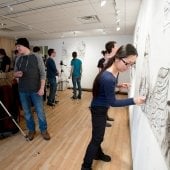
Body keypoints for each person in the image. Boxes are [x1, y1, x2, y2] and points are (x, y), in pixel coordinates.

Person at [81, 44, 146, 170]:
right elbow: (113, 102)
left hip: (100, 107)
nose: (128, 67)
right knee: (97, 138)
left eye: (132, 64)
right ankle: (85, 166)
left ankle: (98, 155)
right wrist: (134, 100)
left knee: (98, 136)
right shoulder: (108, 77)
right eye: (127, 63)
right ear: (117, 58)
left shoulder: (111, 73)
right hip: (98, 109)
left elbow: (106, 88)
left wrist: (119, 85)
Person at [14, 38, 50, 141]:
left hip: (36, 90)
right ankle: (31, 130)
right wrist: (16, 75)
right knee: (27, 112)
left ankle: (43, 130)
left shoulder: (37, 57)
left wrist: (42, 88)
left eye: (18, 46)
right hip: (23, 90)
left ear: (25, 45)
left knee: (40, 111)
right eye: (17, 47)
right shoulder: (18, 59)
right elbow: (15, 73)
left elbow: (43, 74)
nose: (17, 48)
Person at [97, 41, 118, 127]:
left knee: (107, 102)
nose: (118, 47)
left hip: (110, 82)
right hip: (105, 82)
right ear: (112, 48)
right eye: (116, 46)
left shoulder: (113, 58)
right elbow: (101, 71)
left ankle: (106, 117)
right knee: (104, 102)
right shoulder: (107, 59)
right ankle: (102, 121)